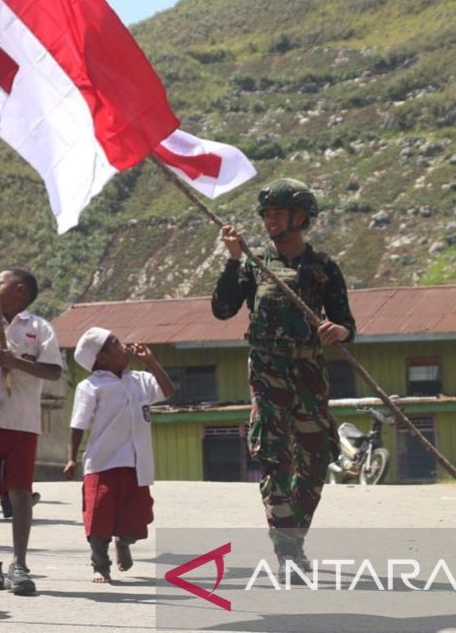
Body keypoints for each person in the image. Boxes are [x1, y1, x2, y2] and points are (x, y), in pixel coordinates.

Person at [211, 178, 356, 571]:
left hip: (309, 370)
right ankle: (286, 545)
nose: (269, 220)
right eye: (266, 214)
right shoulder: (256, 266)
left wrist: (338, 331)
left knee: (315, 457)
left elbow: (346, 324)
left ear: (301, 218)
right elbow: (222, 310)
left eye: (277, 213)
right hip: (267, 369)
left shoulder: (323, 268)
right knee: (274, 456)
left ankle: (294, 534)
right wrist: (233, 260)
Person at [0, 267, 63, 595]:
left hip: (22, 421)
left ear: (19, 290)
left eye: (1, 283)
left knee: (20, 493)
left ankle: (19, 562)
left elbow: (51, 370)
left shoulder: (38, 327)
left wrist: (17, 363)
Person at [64, 329, 177, 584]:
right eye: (115, 343)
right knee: (98, 516)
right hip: (102, 462)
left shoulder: (140, 379)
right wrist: (71, 457)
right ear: (101, 358)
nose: (123, 345)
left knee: (139, 518)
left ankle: (124, 542)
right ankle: (100, 565)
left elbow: (168, 391)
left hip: (136, 462)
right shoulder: (90, 386)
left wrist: (151, 362)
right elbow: (78, 424)